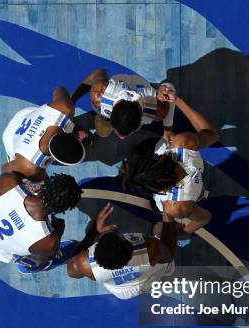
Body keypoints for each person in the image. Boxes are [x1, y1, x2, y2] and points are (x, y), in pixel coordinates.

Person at [123, 96, 219, 234]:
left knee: (161, 228)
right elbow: (212, 135)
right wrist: (178, 100)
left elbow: (205, 217)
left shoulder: (177, 207)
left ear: (160, 190)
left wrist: (182, 232)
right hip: (175, 152)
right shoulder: (184, 142)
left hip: (176, 201)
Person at [67, 203, 177, 299]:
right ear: (129, 247)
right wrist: (168, 211)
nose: (113, 229)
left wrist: (96, 230)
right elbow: (169, 254)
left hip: (118, 289)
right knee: (161, 231)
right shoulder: (151, 251)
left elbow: (71, 271)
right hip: (138, 285)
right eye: (117, 235)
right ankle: (166, 272)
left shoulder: (82, 264)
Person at [0, 172, 82, 272]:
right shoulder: (48, 241)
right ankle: (30, 267)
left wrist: (25, 183)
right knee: (43, 259)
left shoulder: (8, 181)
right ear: (62, 209)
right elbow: (40, 260)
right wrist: (58, 233)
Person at [1, 86, 88, 182]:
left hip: (25, 115)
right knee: (33, 178)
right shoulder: (30, 167)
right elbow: (5, 169)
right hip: (11, 137)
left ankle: (72, 127)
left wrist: (69, 103)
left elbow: (59, 89)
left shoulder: (65, 108)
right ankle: (14, 158)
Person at [71, 69, 175, 139]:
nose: (122, 138)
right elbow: (99, 73)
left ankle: (104, 118)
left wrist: (167, 130)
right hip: (116, 100)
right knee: (103, 132)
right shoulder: (100, 94)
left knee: (103, 132)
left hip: (142, 92)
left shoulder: (154, 107)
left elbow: (170, 90)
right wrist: (72, 100)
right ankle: (104, 118)